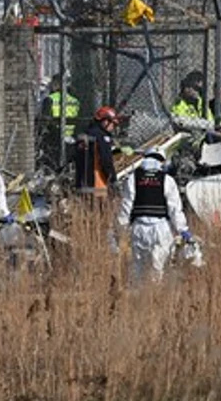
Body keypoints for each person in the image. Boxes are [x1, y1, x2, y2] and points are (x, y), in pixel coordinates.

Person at [116, 147, 193, 282]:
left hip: (138, 228)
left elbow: (126, 206)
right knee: (159, 267)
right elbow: (174, 208)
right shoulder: (167, 180)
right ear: (162, 161)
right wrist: (183, 230)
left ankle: (138, 298)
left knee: (138, 267)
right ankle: (156, 298)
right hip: (161, 228)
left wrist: (120, 229)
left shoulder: (133, 179)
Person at [74, 106, 121, 196]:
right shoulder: (102, 137)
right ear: (105, 121)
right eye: (113, 124)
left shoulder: (83, 135)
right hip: (98, 186)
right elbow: (106, 161)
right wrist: (113, 180)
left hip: (81, 185)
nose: (113, 127)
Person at [38, 73, 80, 170]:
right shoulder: (75, 101)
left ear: (57, 84)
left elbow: (45, 120)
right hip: (71, 134)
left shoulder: (50, 99)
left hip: (54, 135)